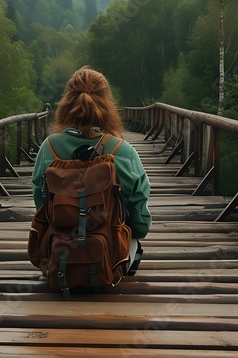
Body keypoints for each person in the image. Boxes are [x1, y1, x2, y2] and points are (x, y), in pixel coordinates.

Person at [32, 66, 152, 270]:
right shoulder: (124, 152)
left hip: (58, 256)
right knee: (133, 242)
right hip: (110, 260)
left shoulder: (48, 148)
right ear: (107, 103)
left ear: (67, 102)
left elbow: (41, 206)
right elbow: (140, 223)